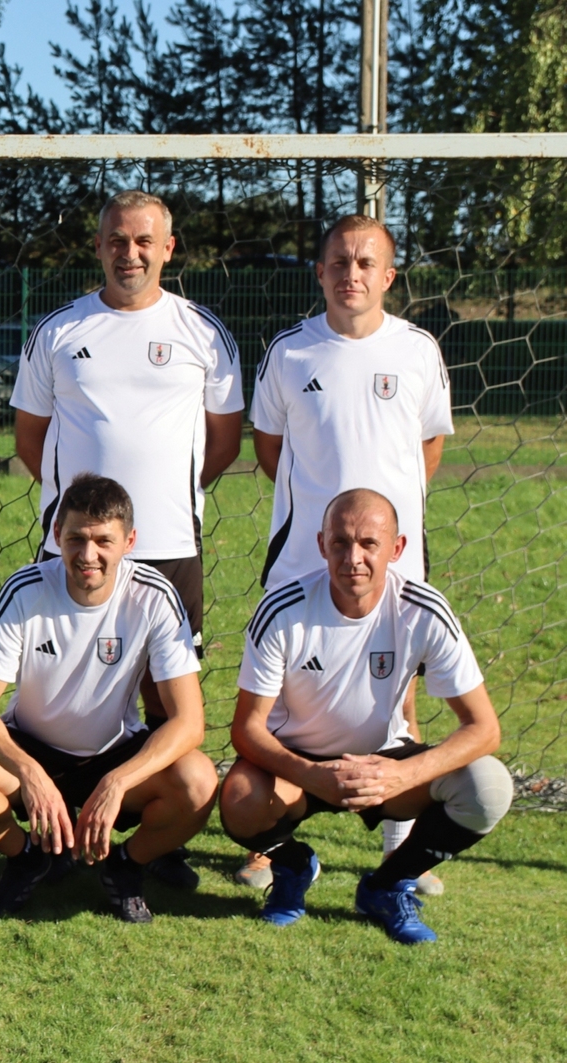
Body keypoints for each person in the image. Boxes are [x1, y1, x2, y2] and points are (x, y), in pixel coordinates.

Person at [11, 189, 244, 890]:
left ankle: (151, 841)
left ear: (168, 249)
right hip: (74, 547)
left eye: (144, 241)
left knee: (166, 699)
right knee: (63, 686)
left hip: (169, 544)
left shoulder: (203, 332)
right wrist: (82, 518)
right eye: (117, 239)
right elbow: (29, 438)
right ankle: (53, 819)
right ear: (98, 246)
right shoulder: (59, 331)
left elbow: (224, 443)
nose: (130, 253)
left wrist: (165, 501)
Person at [244, 213, 455, 890]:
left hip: (390, 561)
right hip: (305, 557)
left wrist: (381, 530)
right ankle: (269, 840)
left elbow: (428, 446)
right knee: (281, 699)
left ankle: (400, 844)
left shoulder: (418, 350)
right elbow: (269, 448)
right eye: (339, 262)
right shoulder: (290, 352)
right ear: (320, 272)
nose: (351, 274)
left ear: (388, 276)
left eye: (365, 263)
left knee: (398, 693)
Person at [220, 489, 511, 944]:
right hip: (297, 764)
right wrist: (311, 774)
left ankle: (388, 885)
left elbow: (484, 729)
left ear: (396, 548)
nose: (353, 558)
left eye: (368, 543)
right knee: (239, 798)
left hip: (385, 763)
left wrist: (402, 774)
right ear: (322, 545)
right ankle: (293, 867)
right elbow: (246, 728)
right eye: (340, 542)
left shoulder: (424, 609)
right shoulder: (282, 608)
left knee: (488, 787)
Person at [0, 474, 218, 922]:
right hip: (31, 747)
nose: (88, 555)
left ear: (129, 542)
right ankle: (27, 858)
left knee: (198, 781)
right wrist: (29, 772)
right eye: (76, 539)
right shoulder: (25, 590)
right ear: (56, 535)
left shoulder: (154, 596)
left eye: (104, 541)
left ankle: (126, 866)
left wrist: (118, 781)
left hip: (114, 754)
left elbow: (189, 722)